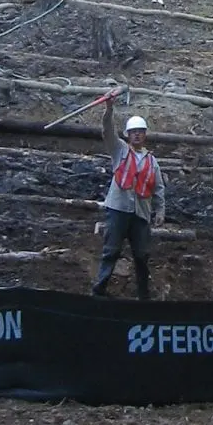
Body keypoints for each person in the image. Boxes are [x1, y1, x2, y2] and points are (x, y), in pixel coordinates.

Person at [92, 95, 165, 299]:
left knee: (142, 255)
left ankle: (143, 296)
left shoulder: (152, 161)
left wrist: (160, 210)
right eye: (133, 132)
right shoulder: (120, 150)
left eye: (140, 132)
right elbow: (107, 131)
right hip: (118, 209)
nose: (137, 135)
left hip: (141, 214)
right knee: (111, 251)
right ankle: (99, 291)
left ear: (145, 135)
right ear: (128, 135)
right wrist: (109, 110)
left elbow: (158, 188)